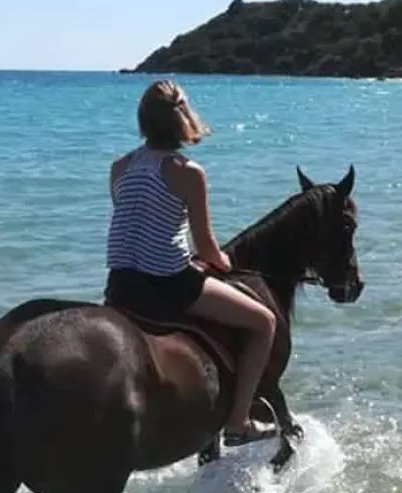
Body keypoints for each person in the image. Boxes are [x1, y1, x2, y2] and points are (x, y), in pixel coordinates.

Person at [104, 79, 277, 446]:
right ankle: (239, 421)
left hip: (119, 284)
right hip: (167, 284)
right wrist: (222, 263)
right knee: (264, 322)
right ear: (182, 118)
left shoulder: (119, 167)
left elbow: (138, 225)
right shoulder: (188, 171)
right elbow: (206, 246)